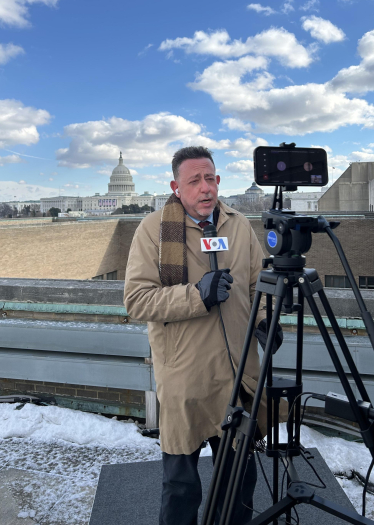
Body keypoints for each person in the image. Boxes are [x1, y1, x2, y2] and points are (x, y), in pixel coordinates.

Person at [124, 146, 282, 525]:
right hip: (186, 379)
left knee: (238, 482)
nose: (205, 188)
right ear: (176, 187)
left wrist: (265, 320)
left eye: (209, 178)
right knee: (181, 487)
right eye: (194, 181)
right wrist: (197, 295)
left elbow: (258, 285)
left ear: (218, 181)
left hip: (237, 376)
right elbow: (137, 300)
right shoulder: (153, 230)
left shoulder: (239, 226)